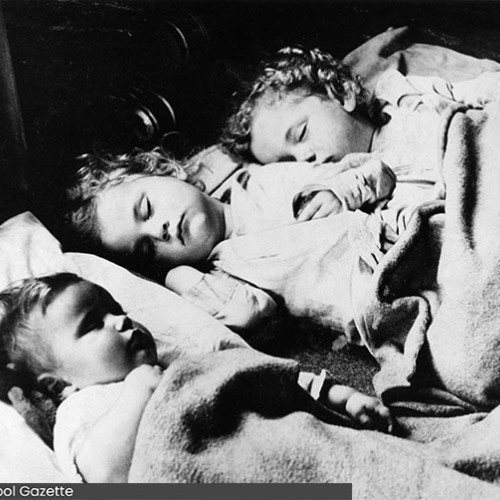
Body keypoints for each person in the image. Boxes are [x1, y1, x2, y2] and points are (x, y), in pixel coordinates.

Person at [0, 273, 393, 482]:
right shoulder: (83, 409)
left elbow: (260, 378)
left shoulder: (179, 368)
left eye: (114, 308)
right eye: (93, 324)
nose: (120, 319)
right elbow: (106, 476)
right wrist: (139, 392)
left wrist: (341, 396)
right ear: (59, 385)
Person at [66, 148, 396, 335]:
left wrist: (341, 191)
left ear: (166, 170)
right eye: (147, 248)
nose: (159, 230)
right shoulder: (222, 273)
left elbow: (377, 171)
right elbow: (249, 314)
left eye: (147, 209)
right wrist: (177, 277)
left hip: (397, 233)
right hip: (380, 306)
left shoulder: (262, 182)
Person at [220, 45, 500, 222]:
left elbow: (478, 91)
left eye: (301, 133)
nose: (304, 158)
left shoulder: (402, 95)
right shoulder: (357, 192)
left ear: (341, 95)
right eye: (289, 162)